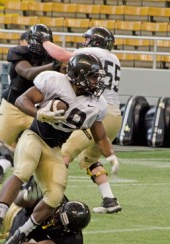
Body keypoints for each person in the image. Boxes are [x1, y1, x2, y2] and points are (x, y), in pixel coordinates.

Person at [0, 53, 119, 244]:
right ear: (79, 76)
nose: (96, 82)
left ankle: (21, 233)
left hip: (54, 148)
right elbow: (23, 100)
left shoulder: (96, 104)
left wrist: (111, 156)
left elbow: (99, 136)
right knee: (23, 170)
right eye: (92, 77)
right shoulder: (55, 81)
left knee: (55, 196)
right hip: (35, 135)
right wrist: (38, 113)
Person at [32, 26, 122, 214]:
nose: (85, 43)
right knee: (89, 160)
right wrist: (111, 155)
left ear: (95, 42)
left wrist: (44, 42)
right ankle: (109, 199)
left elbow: (64, 57)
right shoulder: (114, 58)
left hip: (96, 111)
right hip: (115, 115)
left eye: (88, 40)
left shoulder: (92, 53)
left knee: (63, 154)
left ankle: (44, 194)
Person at [0, 139, 91, 244]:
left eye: (59, 222)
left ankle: (8, 160)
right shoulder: (54, 199)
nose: (55, 219)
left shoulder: (72, 242)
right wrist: (27, 195)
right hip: (15, 213)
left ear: (71, 231)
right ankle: (5, 161)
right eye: (58, 214)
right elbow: (20, 202)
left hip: (18, 231)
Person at [0, 23, 63, 170]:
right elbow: (28, 73)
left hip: (36, 110)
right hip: (12, 108)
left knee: (46, 149)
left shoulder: (52, 57)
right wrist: (54, 66)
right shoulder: (19, 52)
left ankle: (38, 188)